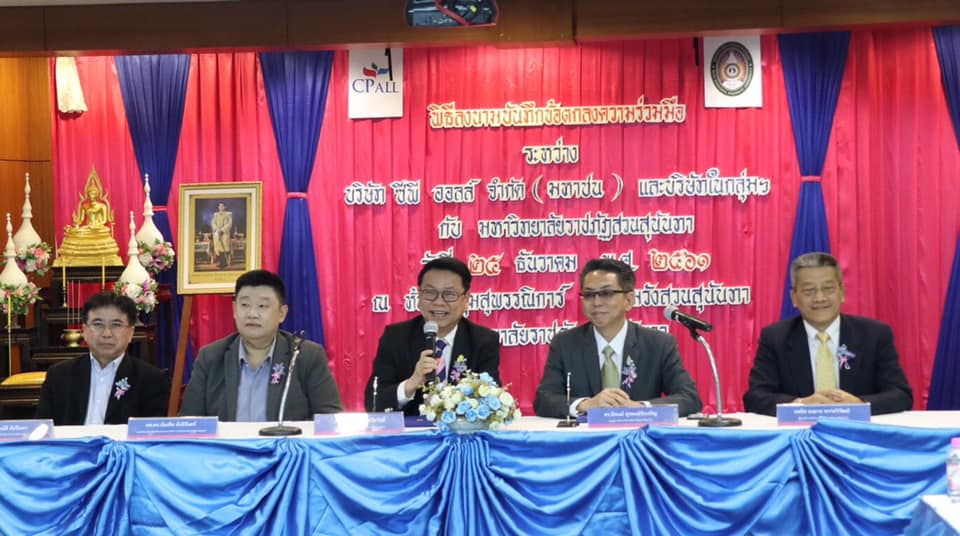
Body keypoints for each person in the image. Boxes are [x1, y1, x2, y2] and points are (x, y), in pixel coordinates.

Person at [743, 252, 913, 416]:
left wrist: (859, 404)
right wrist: (800, 405)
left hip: (856, 432)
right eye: (809, 291)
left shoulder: (874, 335)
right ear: (794, 297)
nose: (820, 298)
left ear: (842, 292)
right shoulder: (775, 338)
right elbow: (755, 397)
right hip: (800, 432)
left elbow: (900, 394)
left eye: (828, 288)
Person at [534, 258, 702, 418]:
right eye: (589, 294)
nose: (596, 302)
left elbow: (689, 398)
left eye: (606, 293)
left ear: (629, 300)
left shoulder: (658, 344)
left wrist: (640, 408)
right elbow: (544, 400)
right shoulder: (565, 344)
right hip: (586, 437)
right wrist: (585, 404)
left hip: (638, 436)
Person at [180, 269, 343, 421]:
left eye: (262, 306)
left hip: (286, 444)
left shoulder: (305, 356)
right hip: (227, 444)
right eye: (244, 305)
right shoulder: (210, 357)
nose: (252, 314)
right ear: (234, 310)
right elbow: (190, 422)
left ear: (282, 313)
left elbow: (329, 420)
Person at [365, 257, 501, 416]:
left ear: (466, 299)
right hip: (411, 431)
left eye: (449, 294)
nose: (438, 302)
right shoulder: (395, 338)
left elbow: (491, 401)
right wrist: (411, 383)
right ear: (419, 296)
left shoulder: (483, 341)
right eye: (430, 293)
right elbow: (373, 403)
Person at [36, 293, 169, 426]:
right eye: (98, 324)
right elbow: (42, 429)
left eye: (116, 325)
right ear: (84, 330)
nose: (106, 334)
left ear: (130, 333)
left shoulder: (151, 379)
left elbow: (151, 434)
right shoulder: (59, 375)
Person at [211, 202, 232, 268]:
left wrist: (222, 230)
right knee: (218, 248)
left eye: (222, 206)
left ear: (225, 207)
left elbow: (229, 224)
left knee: (224, 248)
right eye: (220, 206)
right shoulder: (216, 215)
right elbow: (213, 223)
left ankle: (224, 263)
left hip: (224, 234)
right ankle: (220, 262)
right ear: (218, 207)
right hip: (217, 233)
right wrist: (217, 229)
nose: (221, 207)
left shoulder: (228, 215)